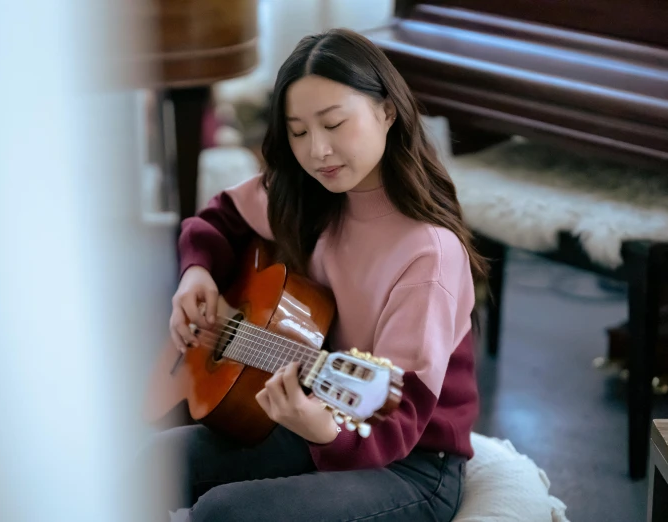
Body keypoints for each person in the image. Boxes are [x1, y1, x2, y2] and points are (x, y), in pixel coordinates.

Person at [152, 28, 486, 522]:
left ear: (387, 111)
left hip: (409, 463)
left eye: (334, 124)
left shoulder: (428, 255)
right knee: (149, 466)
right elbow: (222, 216)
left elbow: (399, 414)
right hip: (315, 418)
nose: (318, 152)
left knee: (223, 514)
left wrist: (324, 431)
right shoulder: (308, 195)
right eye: (299, 132)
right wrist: (196, 273)